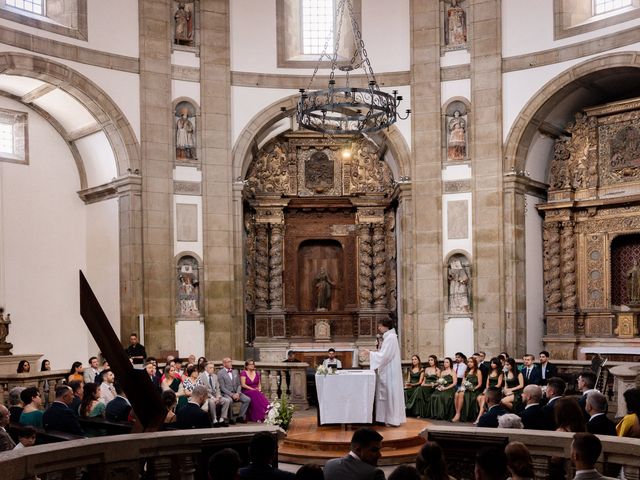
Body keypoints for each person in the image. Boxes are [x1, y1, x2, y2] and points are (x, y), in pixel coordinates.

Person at [365, 318, 406, 426]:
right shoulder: (388, 337)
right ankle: (386, 418)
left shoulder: (391, 338)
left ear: (385, 326)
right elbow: (383, 353)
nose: (378, 328)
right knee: (386, 393)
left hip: (390, 370)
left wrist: (370, 353)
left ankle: (392, 419)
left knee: (389, 392)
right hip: (387, 368)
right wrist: (377, 348)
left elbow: (385, 356)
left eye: (380, 326)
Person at [197, 361, 231, 426]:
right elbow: (203, 390)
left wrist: (218, 396)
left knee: (227, 400)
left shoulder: (215, 376)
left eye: (213, 368)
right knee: (212, 402)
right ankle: (214, 420)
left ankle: (222, 419)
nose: (212, 369)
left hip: (216, 396)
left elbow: (218, 388)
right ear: (206, 368)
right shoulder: (201, 376)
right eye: (210, 368)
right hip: (207, 397)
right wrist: (213, 398)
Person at [218, 357, 251, 423]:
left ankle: (240, 416)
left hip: (237, 392)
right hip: (227, 393)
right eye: (229, 362)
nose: (231, 363)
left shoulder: (235, 371)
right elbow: (222, 387)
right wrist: (232, 395)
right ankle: (231, 418)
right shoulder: (220, 373)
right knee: (229, 401)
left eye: (231, 361)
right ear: (224, 364)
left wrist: (238, 393)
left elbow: (239, 384)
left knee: (247, 399)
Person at [408, 354, 439, 419]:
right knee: (420, 389)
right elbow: (424, 380)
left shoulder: (437, 370)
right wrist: (423, 383)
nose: (430, 361)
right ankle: (418, 412)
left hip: (431, 387)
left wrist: (428, 385)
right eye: (429, 360)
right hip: (424, 386)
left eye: (431, 360)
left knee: (419, 389)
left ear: (435, 361)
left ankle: (409, 404)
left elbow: (438, 383)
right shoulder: (427, 369)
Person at [454, 356, 483, 422]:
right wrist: (461, 388)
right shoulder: (466, 371)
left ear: (475, 363)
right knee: (456, 394)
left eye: (471, 362)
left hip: (474, 390)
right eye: (468, 362)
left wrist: (473, 388)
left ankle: (458, 414)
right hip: (465, 389)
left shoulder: (478, 371)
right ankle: (457, 413)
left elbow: (479, 384)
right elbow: (463, 382)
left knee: (461, 394)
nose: (469, 363)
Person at [475, 357, 503, 424]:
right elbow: (487, 383)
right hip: (489, 389)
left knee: (484, 398)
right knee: (479, 397)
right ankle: (485, 412)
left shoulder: (500, 373)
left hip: (495, 390)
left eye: (494, 363)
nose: (492, 364)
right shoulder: (490, 371)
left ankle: (479, 417)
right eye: (491, 363)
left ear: (497, 364)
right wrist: (487, 389)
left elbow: (498, 385)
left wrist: (489, 389)